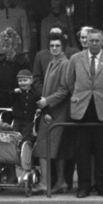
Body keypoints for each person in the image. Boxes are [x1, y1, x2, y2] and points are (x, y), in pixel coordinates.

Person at [61, 28, 103, 198]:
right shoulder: (75, 59)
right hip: (81, 109)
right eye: (91, 40)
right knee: (82, 151)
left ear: (102, 42)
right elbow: (69, 82)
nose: (94, 43)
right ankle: (84, 186)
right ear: (86, 42)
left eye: (97, 40)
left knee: (101, 150)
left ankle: (102, 185)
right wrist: (81, 96)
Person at [33, 33, 73, 193]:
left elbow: (64, 90)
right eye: (52, 46)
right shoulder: (51, 62)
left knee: (45, 147)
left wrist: (47, 101)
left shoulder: (65, 64)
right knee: (55, 148)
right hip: (49, 111)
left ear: (63, 47)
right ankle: (60, 182)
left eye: (57, 45)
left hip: (58, 111)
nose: (54, 48)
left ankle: (45, 182)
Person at [0, 28, 30, 109]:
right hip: (0, 103)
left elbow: (28, 85)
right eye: (3, 46)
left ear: (15, 45)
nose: (5, 49)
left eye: (7, 46)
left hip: (17, 102)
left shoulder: (23, 63)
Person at [10, 69, 37, 139]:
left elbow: (39, 103)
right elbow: (10, 97)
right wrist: (13, 92)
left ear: (31, 81)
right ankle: (14, 149)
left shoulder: (34, 94)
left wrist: (45, 112)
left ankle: (23, 148)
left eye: (25, 80)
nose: (22, 83)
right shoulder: (17, 93)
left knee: (25, 136)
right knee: (14, 135)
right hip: (17, 119)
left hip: (28, 120)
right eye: (20, 81)